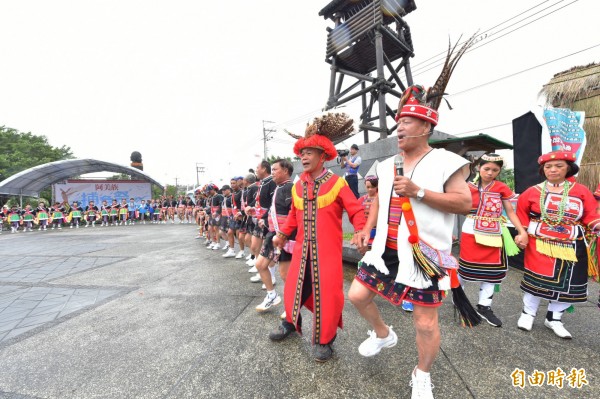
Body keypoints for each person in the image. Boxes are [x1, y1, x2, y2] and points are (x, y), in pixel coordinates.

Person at [348, 35, 479, 399]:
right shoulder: (386, 163)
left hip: (422, 255)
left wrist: (419, 192)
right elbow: (376, 200)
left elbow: (464, 203)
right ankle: (383, 334)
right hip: (384, 249)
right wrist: (365, 229)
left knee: (424, 321)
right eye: (398, 123)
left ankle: (422, 373)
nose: (399, 128)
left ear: (426, 128)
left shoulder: (447, 161)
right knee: (357, 296)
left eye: (408, 122)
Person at [269, 112, 366, 362]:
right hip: (302, 250)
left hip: (328, 253)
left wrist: (361, 231)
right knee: (293, 288)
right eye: (302, 153)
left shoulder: (337, 183)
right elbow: (293, 215)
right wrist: (281, 235)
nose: (304, 157)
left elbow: (355, 210)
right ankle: (290, 322)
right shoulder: (298, 186)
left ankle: (326, 339)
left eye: (309, 152)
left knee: (329, 294)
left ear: (323, 156)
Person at [515, 151, 600, 339]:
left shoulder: (581, 191)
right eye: (548, 167)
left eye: (559, 166)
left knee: (569, 284)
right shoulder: (532, 192)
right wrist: (522, 234)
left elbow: (591, 216)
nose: (553, 170)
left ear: (568, 168)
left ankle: (554, 318)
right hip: (540, 244)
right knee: (536, 281)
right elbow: (521, 216)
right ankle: (527, 314)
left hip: (572, 245)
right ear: (542, 169)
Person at [458, 153, 528, 327]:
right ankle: (459, 301)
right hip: (471, 231)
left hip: (495, 233)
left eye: (494, 170)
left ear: (499, 171)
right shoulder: (466, 186)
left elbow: (510, 211)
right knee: (465, 269)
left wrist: (521, 231)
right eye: (486, 168)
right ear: (478, 168)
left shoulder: (501, 187)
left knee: (492, 272)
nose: (490, 172)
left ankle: (484, 306)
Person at [255, 159, 295, 312]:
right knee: (260, 265)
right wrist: (263, 218)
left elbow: (293, 213)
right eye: (271, 170)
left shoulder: (291, 188)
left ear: (285, 171)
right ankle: (272, 295)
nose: (272, 173)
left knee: (285, 275)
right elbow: (273, 210)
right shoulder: (279, 188)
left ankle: (292, 306)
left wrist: (286, 235)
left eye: (275, 169)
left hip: (286, 236)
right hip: (273, 235)